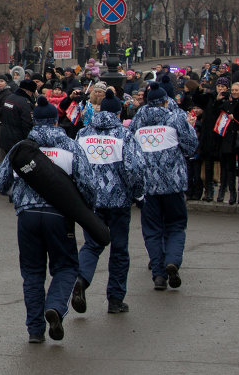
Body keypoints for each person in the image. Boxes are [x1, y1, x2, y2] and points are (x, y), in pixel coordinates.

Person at [0, 93, 96, 343]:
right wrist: (84, 209)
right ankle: (56, 307)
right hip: (59, 216)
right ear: (56, 121)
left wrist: (19, 193)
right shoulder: (71, 146)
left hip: (27, 217)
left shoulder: (21, 148)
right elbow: (88, 185)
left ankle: (35, 330)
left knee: (32, 273)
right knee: (66, 266)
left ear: (34, 120)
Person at [70, 93, 143, 315]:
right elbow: (133, 170)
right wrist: (137, 195)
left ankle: (81, 279)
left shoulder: (83, 134)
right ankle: (115, 299)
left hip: (91, 202)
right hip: (118, 202)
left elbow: (76, 167)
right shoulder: (124, 134)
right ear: (119, 113)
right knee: (119, 250)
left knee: (92, 244)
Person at [132, 83, 198, 291]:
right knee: (176, 225)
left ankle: (159, 275)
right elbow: (191, 145)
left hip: (148, 187)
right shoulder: (175, 117)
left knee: (152, 230)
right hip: (173, 185)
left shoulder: (138, 119)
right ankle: (172, 261)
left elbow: (130, 148)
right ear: (164, 101)